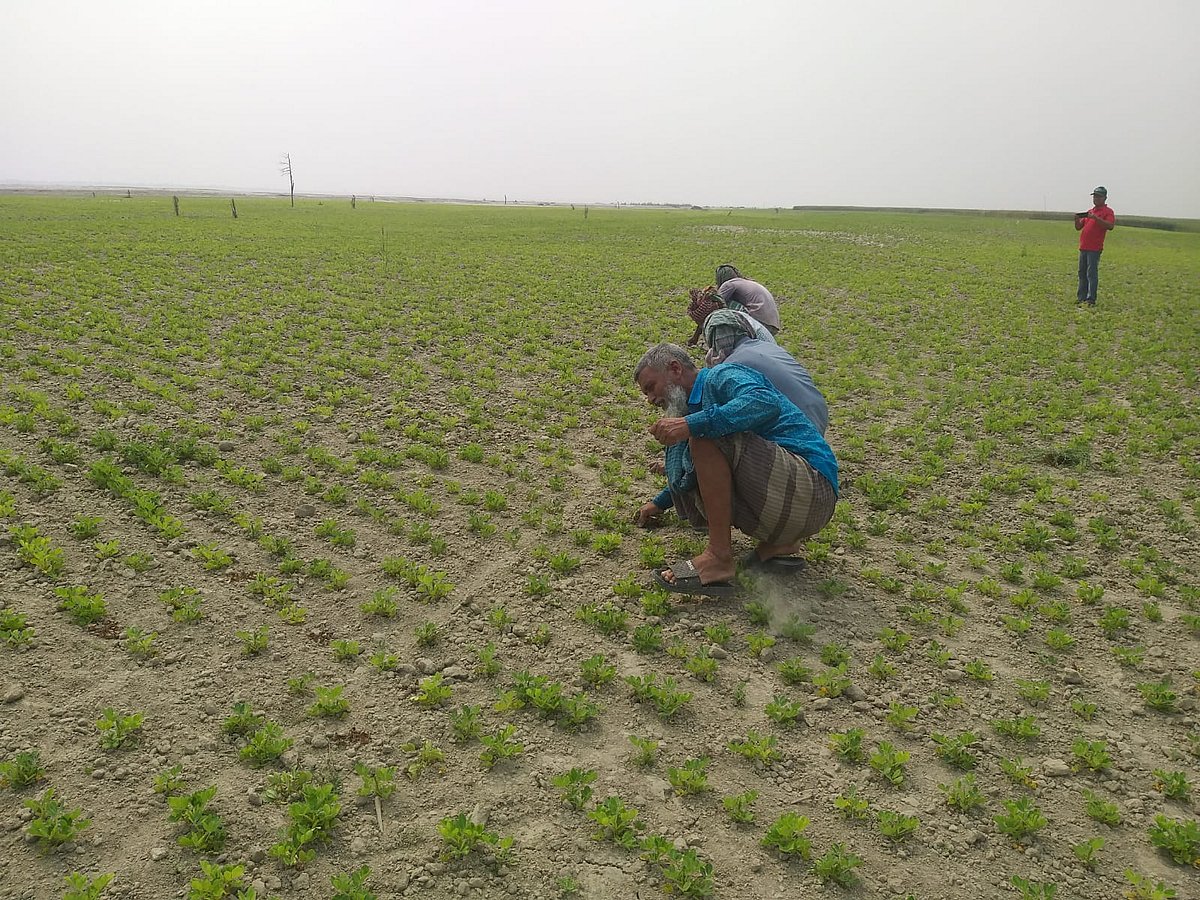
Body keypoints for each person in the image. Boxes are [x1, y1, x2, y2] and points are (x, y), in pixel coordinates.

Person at [633, 343, 838, 597]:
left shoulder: (722, 375)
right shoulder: (695, 405)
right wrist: (660, 502)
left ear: (675, 368)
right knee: (704, 431)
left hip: (812, 488)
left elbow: (764, 401)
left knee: (705, 435)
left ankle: (718, 557)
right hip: (799, 501)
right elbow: (711, 471)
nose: (651, 400)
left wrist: (691, 424)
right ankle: (780, 545)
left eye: (651, 388)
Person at [1074, 187, 1115, 306]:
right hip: (1084, 247)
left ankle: (1091, 299)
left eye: (1098, 196)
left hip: (1094, 248)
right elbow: (1078, 227)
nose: (1096, 198)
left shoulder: (1108, 212)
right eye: (1094, 196)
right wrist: (1077, 220)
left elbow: (1110, 226)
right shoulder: (1090, 211)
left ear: (1105, 198)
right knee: (1082, 273)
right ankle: (1081, 297)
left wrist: (1096, 218)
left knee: (1091, 273)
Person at [715, 264, 781, 335]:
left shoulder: (729, 284)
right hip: (773, 324)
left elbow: (717, 301)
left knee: (724, 303)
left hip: (759, 323)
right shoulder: (748, 282)